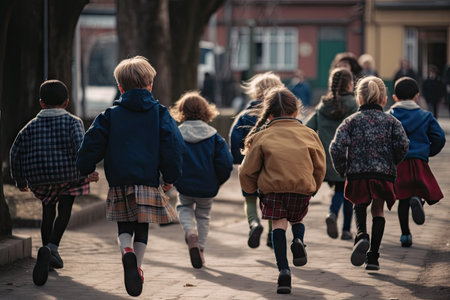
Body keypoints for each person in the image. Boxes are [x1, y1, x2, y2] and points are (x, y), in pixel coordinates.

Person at [76, 56, 185, 297]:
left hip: (120, 180)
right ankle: (137, 266)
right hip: (147, 180)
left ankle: (126, 251)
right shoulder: (160, 113)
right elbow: (173, 147)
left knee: (124, 225)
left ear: (120, 87)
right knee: (142, 226)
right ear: (150, 85)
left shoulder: (110, 115)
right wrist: (170, 177)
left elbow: (91, 143)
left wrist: (85, 168)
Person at [9, 79, 99, 286]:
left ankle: (45, 250)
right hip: (69, 176)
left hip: (40, 178)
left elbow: (15, 153)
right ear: (66, 102)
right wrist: (89, 172)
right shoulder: (74, 122)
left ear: (41, 103)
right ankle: (52, 249)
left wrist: (19, 180)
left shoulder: (29, 127)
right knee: (65, 209)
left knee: (47, 211)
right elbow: (81, 148)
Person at [239, 86, 326, 294]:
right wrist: (313, 187)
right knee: (297, 219)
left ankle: (284, 271)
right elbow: (321, 166)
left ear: (268, 114)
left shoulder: (262, 136)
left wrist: (251, 190)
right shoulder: (309, 134)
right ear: (296, 111)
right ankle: (298, 240)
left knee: (278, 225)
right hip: (300, 188)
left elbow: (246, 171)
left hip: (273, 190)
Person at [330, 76, 409, 271]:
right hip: (383, 174)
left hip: (358, 173)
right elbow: (403, 145)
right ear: (384, 99)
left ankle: (361, 235)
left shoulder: (350, 121)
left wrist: (343, 170)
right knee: (378, 210)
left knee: (359, 204)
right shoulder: (392, 121)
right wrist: (393, 162)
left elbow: (336, 147)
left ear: (359, 98)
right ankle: (373, 257)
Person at [170, 91, 233, 269]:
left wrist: (173, 179)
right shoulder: (214, 137)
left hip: (185, 186)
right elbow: (226, 163)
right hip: (207, 187)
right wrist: (217, 181)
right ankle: (201, 250)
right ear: (206, 111)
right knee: (204, 216)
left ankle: (190, 232)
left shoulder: (177, 135)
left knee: (183, 207)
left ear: (181, 111)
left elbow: (170, 158)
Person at [388, 77, 445, 247]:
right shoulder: (425, 116)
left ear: (394, 97)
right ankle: (418, 200)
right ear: (417, 97)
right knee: (419, 189)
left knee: (402, 199)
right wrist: (428, 151)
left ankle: (405, 235)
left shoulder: (391, 116)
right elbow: (439, 138)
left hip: (399, 164)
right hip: (419, 162)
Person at [229, 71, 284, 249]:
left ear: (255, 91)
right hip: (273, 166)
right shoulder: (280, 116)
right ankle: (271, 235)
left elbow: (234, 138)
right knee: (271, 201)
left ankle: (254, 224)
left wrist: (239, 159)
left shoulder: (245, 115)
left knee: (250, 199)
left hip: (250, 166)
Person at [306, 68, 359, 240]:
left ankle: (333, 215)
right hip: (347, 157)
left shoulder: (322, 105)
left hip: (326, 159)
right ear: (350, 84)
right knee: (347, 192)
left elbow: (308, 128)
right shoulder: (353, 105)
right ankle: (344, 229)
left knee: (339, 189)